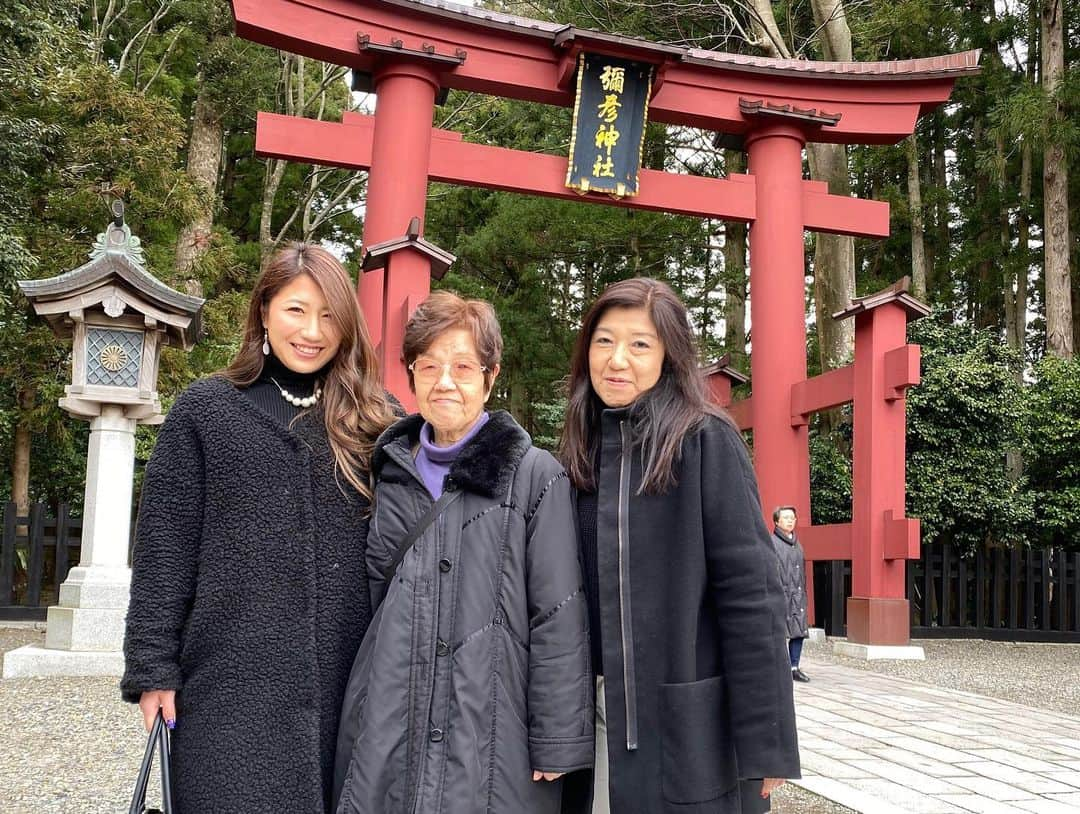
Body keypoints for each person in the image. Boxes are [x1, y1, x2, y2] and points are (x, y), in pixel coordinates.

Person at [121, 243, 395, 814]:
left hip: (347, 687)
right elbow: (164, 550)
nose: (312, 331)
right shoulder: (206, 411)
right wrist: (152, 668)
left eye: (328, 316)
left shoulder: (374, 420)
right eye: (296, 310)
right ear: (265, 310)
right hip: (226, 682)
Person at [333, 291, 593, 814]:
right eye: (428, 366)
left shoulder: (534, 474)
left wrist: (559, 737)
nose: (444, 381)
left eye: (463, 367)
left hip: (490, 719)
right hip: (389, 713)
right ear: (411, 374)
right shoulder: (382, 470)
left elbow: (558, 613)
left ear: (490, 377)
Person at [558, 278, 800, 814]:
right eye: (604, 341)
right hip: (592, 717)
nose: (617, 359)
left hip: (685, 718)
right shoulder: (580, 448)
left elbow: (752, 596)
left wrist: (768, 743)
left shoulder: (704, 439)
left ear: (669, 355)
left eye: (640, 344)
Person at [771, 506, 810, 683]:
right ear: (777, 521)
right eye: (786, 517)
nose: (790, 521)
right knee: (779, 631)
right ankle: (780, 667)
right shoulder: (771, 543)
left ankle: (794, 667)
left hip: (798, 593)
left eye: (792, 518)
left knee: (797, 631)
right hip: (780, 592)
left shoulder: (798, 545)